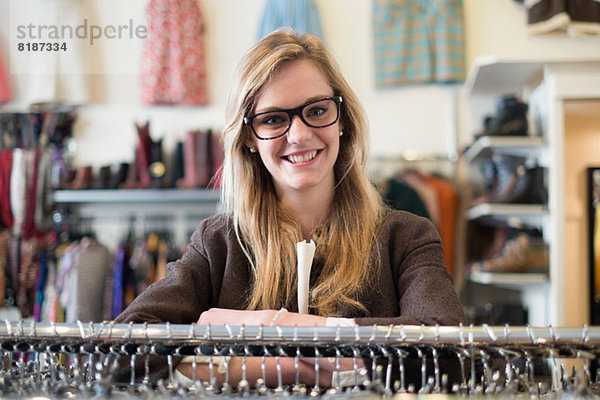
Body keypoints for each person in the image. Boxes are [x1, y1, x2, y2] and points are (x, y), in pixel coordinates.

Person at [115, 29, 464, 387]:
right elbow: (121, 349)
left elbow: (448, 353)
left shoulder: (407, 237)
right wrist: (290, 366)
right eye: (273, 119)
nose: (298, 135)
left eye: (316, 110)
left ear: (342, 119)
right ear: (248, 137)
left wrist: (271, 328)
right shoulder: (217, 242)